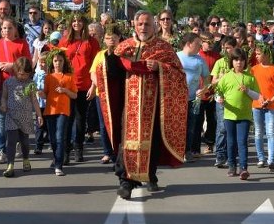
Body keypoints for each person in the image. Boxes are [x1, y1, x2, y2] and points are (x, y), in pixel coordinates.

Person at [96, 11, 188, 199]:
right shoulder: (125, 46)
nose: (144, 28)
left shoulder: (163, 47)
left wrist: (160, 68)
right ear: (134, 25)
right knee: (126, 144)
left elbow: (179, 75)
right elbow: (110, 74)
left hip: (154, 106)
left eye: (147, 24)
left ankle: (151, 175)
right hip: (128, 106)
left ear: (154, 26)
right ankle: (125, 182)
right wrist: (111, 55)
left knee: (152, 143)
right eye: (140, 24)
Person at [0, 17, 32, 165]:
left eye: (9, 28)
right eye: (4, 28)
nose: (6, 31)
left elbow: (28, 64)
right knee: (1, 121)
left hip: (18, 87)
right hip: (1, 87)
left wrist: (13, 65)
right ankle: (1, 150)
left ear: (15, 30)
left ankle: (17, 142)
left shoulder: (22, 44)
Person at [215, 48, 260, 180]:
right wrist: (220, 99)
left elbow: (257, 96)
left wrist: (247, 91)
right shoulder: (226, 77)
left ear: (245, 61)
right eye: (236, 60)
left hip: (244, 116)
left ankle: (244, 168)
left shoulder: (250, 78)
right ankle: (232, 166)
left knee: (242, 142)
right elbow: (218, 92)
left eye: (241, 60)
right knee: (231, 142)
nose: (239, 62)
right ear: (231, 61)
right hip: (229, 115)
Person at [63, 13, 100, 164]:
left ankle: (78, 147)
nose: (76, 23)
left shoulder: (92, 42)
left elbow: (96, 65)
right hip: (67, 86)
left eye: (79, 21)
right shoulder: (65, 40)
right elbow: (58, 61)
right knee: (67, 119)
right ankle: (65, 150)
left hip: (84, 85)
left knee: (80, 119)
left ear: (84, 23)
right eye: (74, 21)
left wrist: (94, 86)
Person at [0, 57, 43, 177]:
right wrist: (3, 104)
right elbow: (4, 96)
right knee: (11, 141)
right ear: (15, 71)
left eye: (26, 74)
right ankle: (10, 165)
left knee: (24, 141)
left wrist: (39, 115)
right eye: (21, 74)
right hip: (11, 115)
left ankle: (26, 159)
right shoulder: (8, 82)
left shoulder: (30, 83)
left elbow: (34, 100)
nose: (23, 77)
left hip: (25, 117)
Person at [88, 24, 124, 164]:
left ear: (119, 38)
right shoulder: (100, 55)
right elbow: (92, 73)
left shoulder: (124, 53)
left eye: (114, 38)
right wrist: (99, 86)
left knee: (117, 122)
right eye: (108, 38)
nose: (111, 41)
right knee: (104, 124)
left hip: (119, 93)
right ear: (104, 40)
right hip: (102, 94)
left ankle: (119, 150)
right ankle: (107, 152)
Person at [40, 49, 77, 175]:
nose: (58, 63)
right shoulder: (49, 77)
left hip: (63, 111)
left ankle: (58, 165)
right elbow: (45, 94)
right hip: (50, 110)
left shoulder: (69, 76)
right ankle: (56, 159)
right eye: (55, 61)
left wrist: (65, 90)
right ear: (52, 62)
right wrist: (40, 94)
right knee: (53, 139)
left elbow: (75, 95)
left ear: (64, 62)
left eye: (60, 61)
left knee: (60, 137)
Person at [177, 33, 210, 163]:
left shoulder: (200, 59)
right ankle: (176, 151)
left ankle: (187, 151)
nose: (200, 46)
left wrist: (204, 89)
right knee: (178, 125)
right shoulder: (176, 57)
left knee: (192, 126)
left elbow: (207, 77)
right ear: (189, 44)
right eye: (198, 43)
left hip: (195, 99)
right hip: (178, 99)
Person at [250, 43, 274, 172]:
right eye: (256, 54)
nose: (256, 56)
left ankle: (271, 160)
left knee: (270, 133)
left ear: (266, 54)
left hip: (271, 106)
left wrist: (271, 100)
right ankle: (261, 158)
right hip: (257, 104)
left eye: (259, 54)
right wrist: (259, 98)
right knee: (258, 132)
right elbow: (250, 88)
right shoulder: (253, 69)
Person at [210, 36, 237, 168]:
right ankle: (220, 155)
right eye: (224, 48)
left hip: (234, 99)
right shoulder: (219, 62)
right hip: (221, 98)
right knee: (222, 128)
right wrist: (220, 77)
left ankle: (231, 154)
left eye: (228, 48)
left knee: (231, 128)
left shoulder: (238, 62)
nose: (225, 50)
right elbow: (213, 82)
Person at [197, 32, 220, 155]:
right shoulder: (197, 55)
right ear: (201, 42)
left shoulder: (217, 57)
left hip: (212, 93)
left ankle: (210, 143)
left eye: (212, 42)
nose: (210, 45)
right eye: (208, 42)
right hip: (199, 93)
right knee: (198, 120)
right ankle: (195, 147)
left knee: (212, 120)